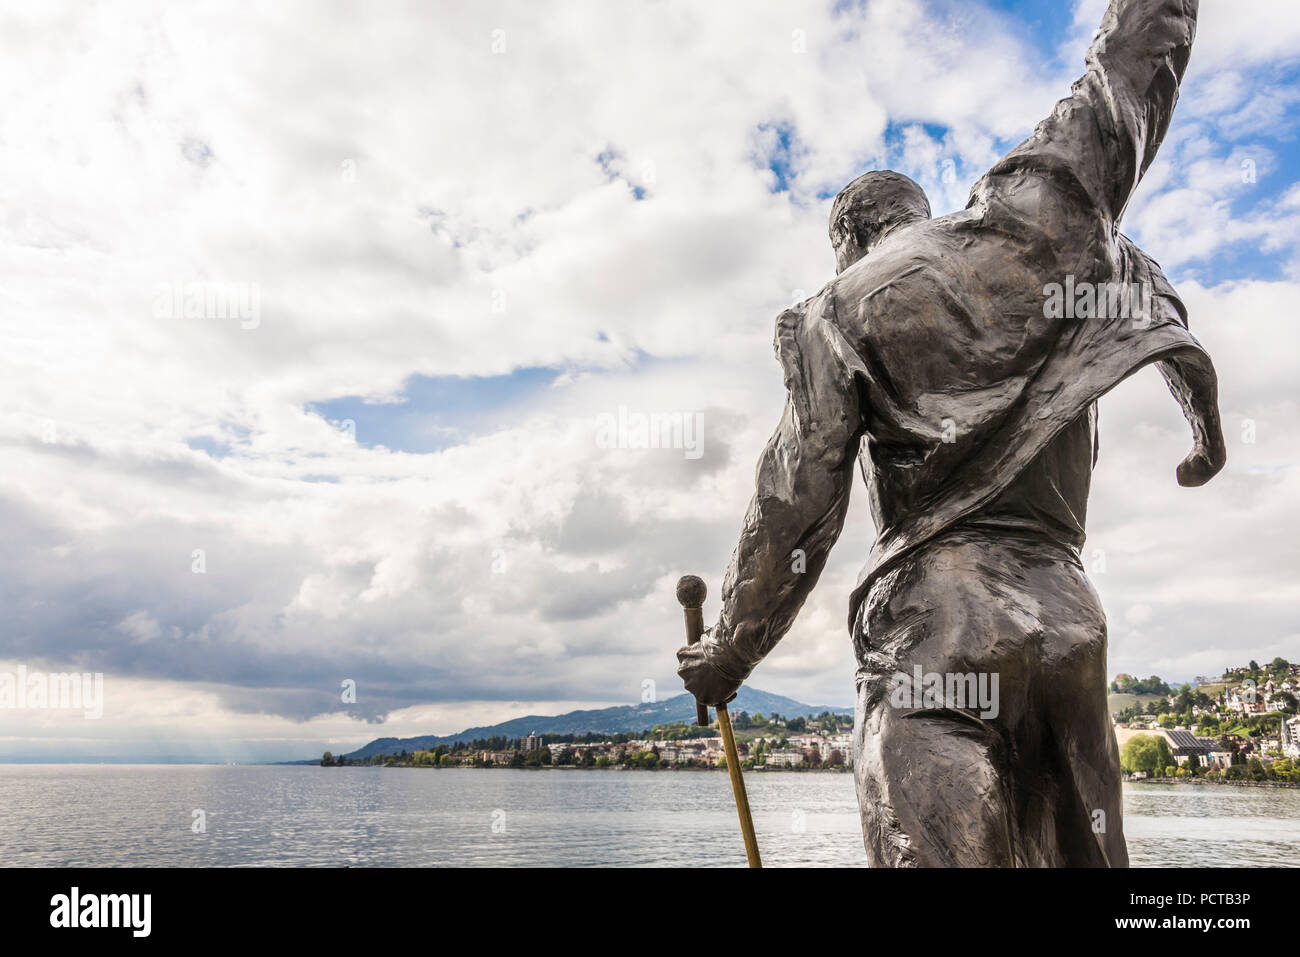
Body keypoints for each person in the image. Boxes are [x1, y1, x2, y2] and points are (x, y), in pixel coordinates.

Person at [677, 0, 1224, 866]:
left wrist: (728, 653)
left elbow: (797, 504)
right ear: (916, 212)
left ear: (850, 241)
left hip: (938, 633)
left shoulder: (841, 307)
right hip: (1071, 634)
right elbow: (1132, 67)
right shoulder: (1046, 232)